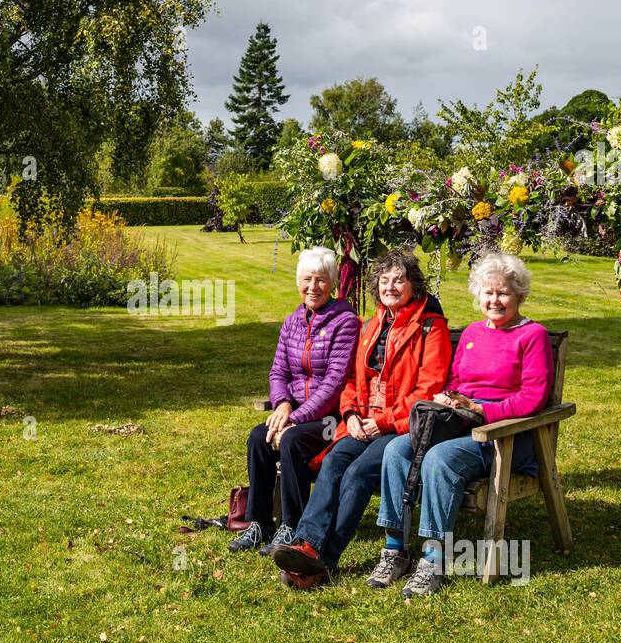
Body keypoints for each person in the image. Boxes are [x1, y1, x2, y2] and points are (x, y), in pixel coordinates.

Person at [370, 251, 553, 598]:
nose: (494, 300)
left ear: (519, 295)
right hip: (460, 421)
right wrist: (448, 398)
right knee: (396, 449)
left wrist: (482, 411)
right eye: (488, 292)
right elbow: (455, 380)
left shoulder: (533, 336)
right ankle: (395, 549)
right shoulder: (471, 333)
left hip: (504, 437)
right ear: (478, 295)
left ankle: (433, 560)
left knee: (440, 459)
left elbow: (533, 399)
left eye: (503, 292)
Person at [271, 250, 452, 589]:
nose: (391, 286)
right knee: (335, 461)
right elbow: (353, 381)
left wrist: (383, 422)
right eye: (384, 281)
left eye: (399, 280)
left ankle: (323, 561)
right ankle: (306, 544)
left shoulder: (432, 327)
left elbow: (429, 391)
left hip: (401, 428)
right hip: (362, 422)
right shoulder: (373, 326)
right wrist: (351, 412)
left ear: (413, 283)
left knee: (356, 473)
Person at [230, 247, 360, 554]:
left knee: (292, 441)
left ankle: (293, 525)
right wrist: (283, 406)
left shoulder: (345, 321)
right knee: (258, 438)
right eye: (307, 279)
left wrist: (294, 420)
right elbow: (279, 371)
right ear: (297, 282)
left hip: (331, 421)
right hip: (296, 414)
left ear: (333, 284)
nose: (313, 287)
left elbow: (334, 383)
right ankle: (260, 523)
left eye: (321, 280)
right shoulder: (292, 321)